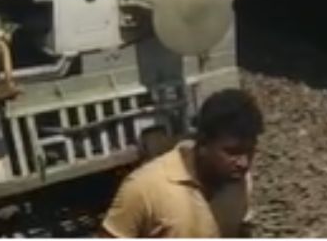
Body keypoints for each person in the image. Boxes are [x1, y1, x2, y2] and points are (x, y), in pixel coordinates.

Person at [101, 89, 262, 238]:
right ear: (204, 144)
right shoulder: (144, 189)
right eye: (232, 152)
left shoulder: (238, 181)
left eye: (250, 151)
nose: (244, 163)